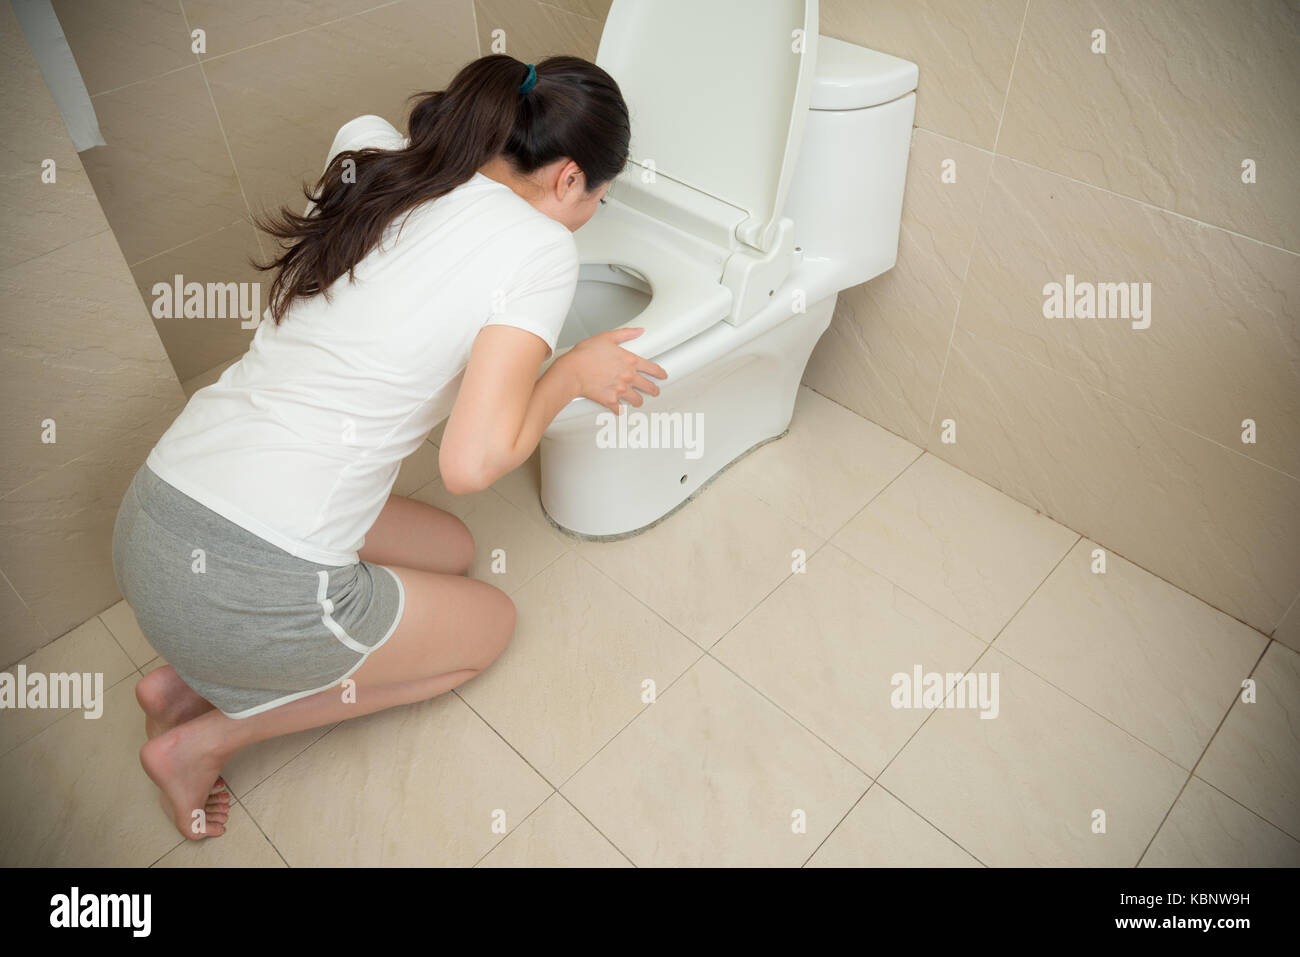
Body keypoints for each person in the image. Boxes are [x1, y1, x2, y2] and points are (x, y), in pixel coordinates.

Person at [111, 54, 665, 841]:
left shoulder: (371, 152)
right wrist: (570, 373)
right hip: (248, 584)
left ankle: (175, 685)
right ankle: (201, 739)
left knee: (453, 547)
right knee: (488, 627)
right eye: (600, 201)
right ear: (570, 179)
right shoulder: (540, 251)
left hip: (153, 510)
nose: (589, 218)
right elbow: (469, 464)